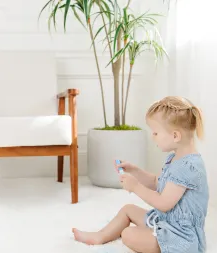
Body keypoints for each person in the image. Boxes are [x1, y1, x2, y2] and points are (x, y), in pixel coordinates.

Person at [72, 96, 209, 253]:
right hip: (168, 222)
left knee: (128, 234)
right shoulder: (175, 158)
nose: (153, 137)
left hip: (181, 237)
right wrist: (134, 171)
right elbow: (157, 182)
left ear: (175, 136)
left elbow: (164, 204)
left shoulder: (188, 167)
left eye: (156, 133)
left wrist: (135, 187)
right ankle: (100, 236)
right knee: (128, 209)